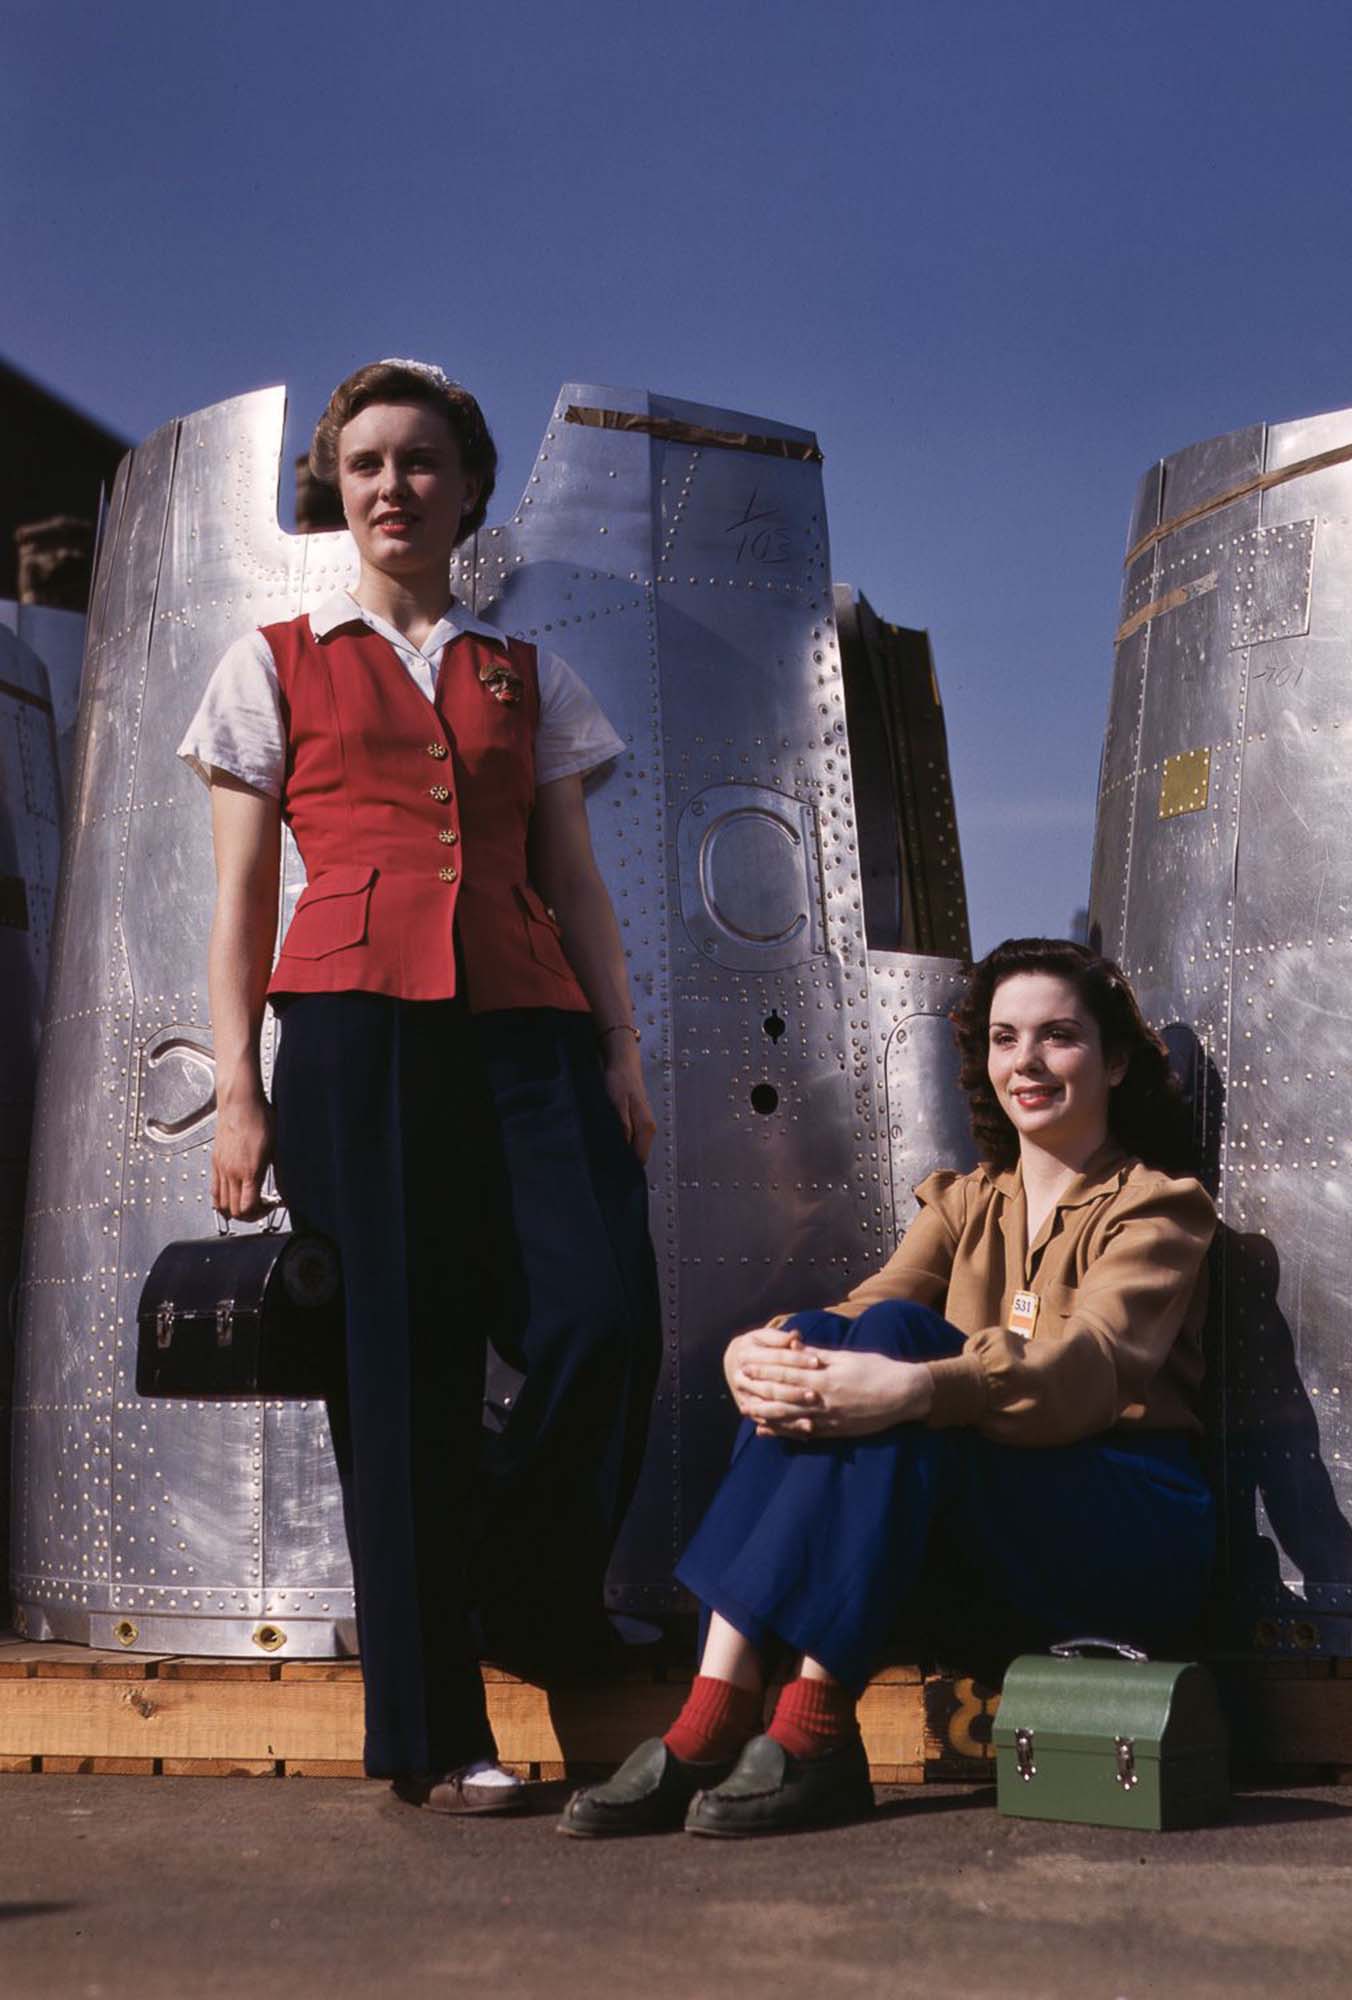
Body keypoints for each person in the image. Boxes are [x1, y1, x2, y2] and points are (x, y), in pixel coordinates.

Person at [179, 358, 662, 1814]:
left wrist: (621, 1047)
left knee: (604, 1318)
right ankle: (433, 1733)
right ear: (336, 484)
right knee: (403, 1377)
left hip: (527, 1028)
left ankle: (512, 1590)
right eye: (369, 463)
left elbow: (572, 878)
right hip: (351, 1035)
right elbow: (241, 895)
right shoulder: (270, 659)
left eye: (423, 462)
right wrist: (243, 1091)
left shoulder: (529, 673)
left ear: (467, 488)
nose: (394, 486)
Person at [560, 936, 1216, 1839]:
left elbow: (1087, 1369)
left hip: (1121, 1526)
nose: (1025, 1062)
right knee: (834, 1337)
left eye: (1058, 1037)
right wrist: (760, 1354)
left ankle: (809, 1729)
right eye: (1003, 1038)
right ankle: (720, 1709)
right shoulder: (963, 1202)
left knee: (904, 1351)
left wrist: (913, 1392)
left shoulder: (1158, 1208)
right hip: (994, 1518)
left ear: (1116, 1061)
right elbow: (859, 1313)